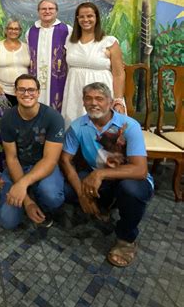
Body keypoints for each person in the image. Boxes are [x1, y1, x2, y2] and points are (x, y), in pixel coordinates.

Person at [61, 82, 153, 267]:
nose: (93, 103)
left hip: (129, 178)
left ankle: (126, 239)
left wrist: (100, 174)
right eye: (89, 98)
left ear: (110, 102)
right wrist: (81, 193)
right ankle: (103, 205)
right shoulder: (78, 126)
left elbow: (140, 170)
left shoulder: (129, 126)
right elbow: (65, 160)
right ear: (83, 102)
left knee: (131, 190)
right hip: (99, 178)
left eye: (99, 99)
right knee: (64, 191)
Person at [0, 74, 65, 230]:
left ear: (38, 93)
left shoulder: (53, 118)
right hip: (18, 167)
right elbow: (12, 158)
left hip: (43, 166)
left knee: (52, 196)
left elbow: (50, 160)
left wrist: (23, 184)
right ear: (15, 92)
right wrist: (27, 202)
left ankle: (38, 197)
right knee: (7, 221)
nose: (27, 94)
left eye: (31, 90)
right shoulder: (8, 118)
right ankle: (28, 197)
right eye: (22, 89)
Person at [61, 2, 125, 128]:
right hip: (74, 92)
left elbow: (118, 74)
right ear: (77, 19)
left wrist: (118, 101)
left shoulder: (109, 41)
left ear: (96, 18)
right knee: (75, 128)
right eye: (82, 16)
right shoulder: (70, 41)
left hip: (101, 93)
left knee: (102, 131)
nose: (86, 20)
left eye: (90, 16)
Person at [25, 0, 71, 112]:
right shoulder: (31, 31)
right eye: (43, 9)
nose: (47, 11)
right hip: (36, 78)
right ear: (38, 11)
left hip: (59, 80)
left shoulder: (67, 30)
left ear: (56, 11)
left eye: (50, 9)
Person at [0, 19, 31, 105]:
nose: (13, 31)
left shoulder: (27, 48)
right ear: (6, 30)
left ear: (20, 31)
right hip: (2, 92)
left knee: (23, 117)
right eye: (10, 28)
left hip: (24, 93)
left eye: (16, 29)